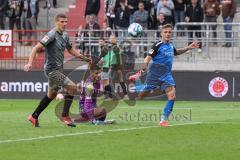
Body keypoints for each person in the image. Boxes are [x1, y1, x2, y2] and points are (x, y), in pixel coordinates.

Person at [24, 13, 92, 127]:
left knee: (51, 95)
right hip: (51, 70)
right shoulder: (51, 35)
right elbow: (36, 48)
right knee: (72, 87)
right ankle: (65, 115)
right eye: (62, 22)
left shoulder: (65, 35)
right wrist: (30, 63)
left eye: (66, 22)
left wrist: (85, 58)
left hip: (58, 70)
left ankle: (34, 116)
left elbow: (71, 51)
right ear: (56, 22)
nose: (64, 24)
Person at [130, 24, 199, 126]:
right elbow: (148, 57)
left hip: (166, 76)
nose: (167, 34)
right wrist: (143, 68)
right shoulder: (157, 45)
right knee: (141, 96)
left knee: (172, 96)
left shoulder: (170, 46)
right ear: (161, 33)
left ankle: (163, 120)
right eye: (165, 32)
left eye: (169, 32)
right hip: (154, 75)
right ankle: (136, 84)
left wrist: (188, 47)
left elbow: (176, 52)